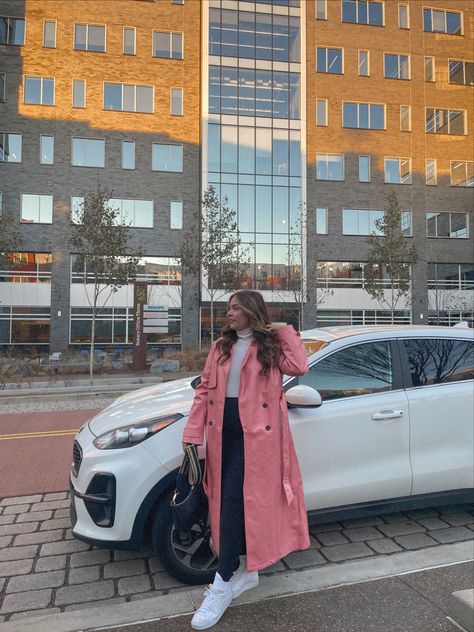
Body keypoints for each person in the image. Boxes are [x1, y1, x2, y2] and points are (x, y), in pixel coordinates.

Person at [182, 289, 310, 630]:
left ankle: (223, 582)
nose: (229, 313)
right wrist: (192, 435)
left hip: (259, 440)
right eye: (228, 308)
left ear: (252, 311)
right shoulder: (220, 347)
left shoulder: (269, 347)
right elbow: (204, 391)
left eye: (236, 308)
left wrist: (284, 329)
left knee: (239, 504)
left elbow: (300, 365)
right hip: (223, 434)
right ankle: (247, 571)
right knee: (226, 504)